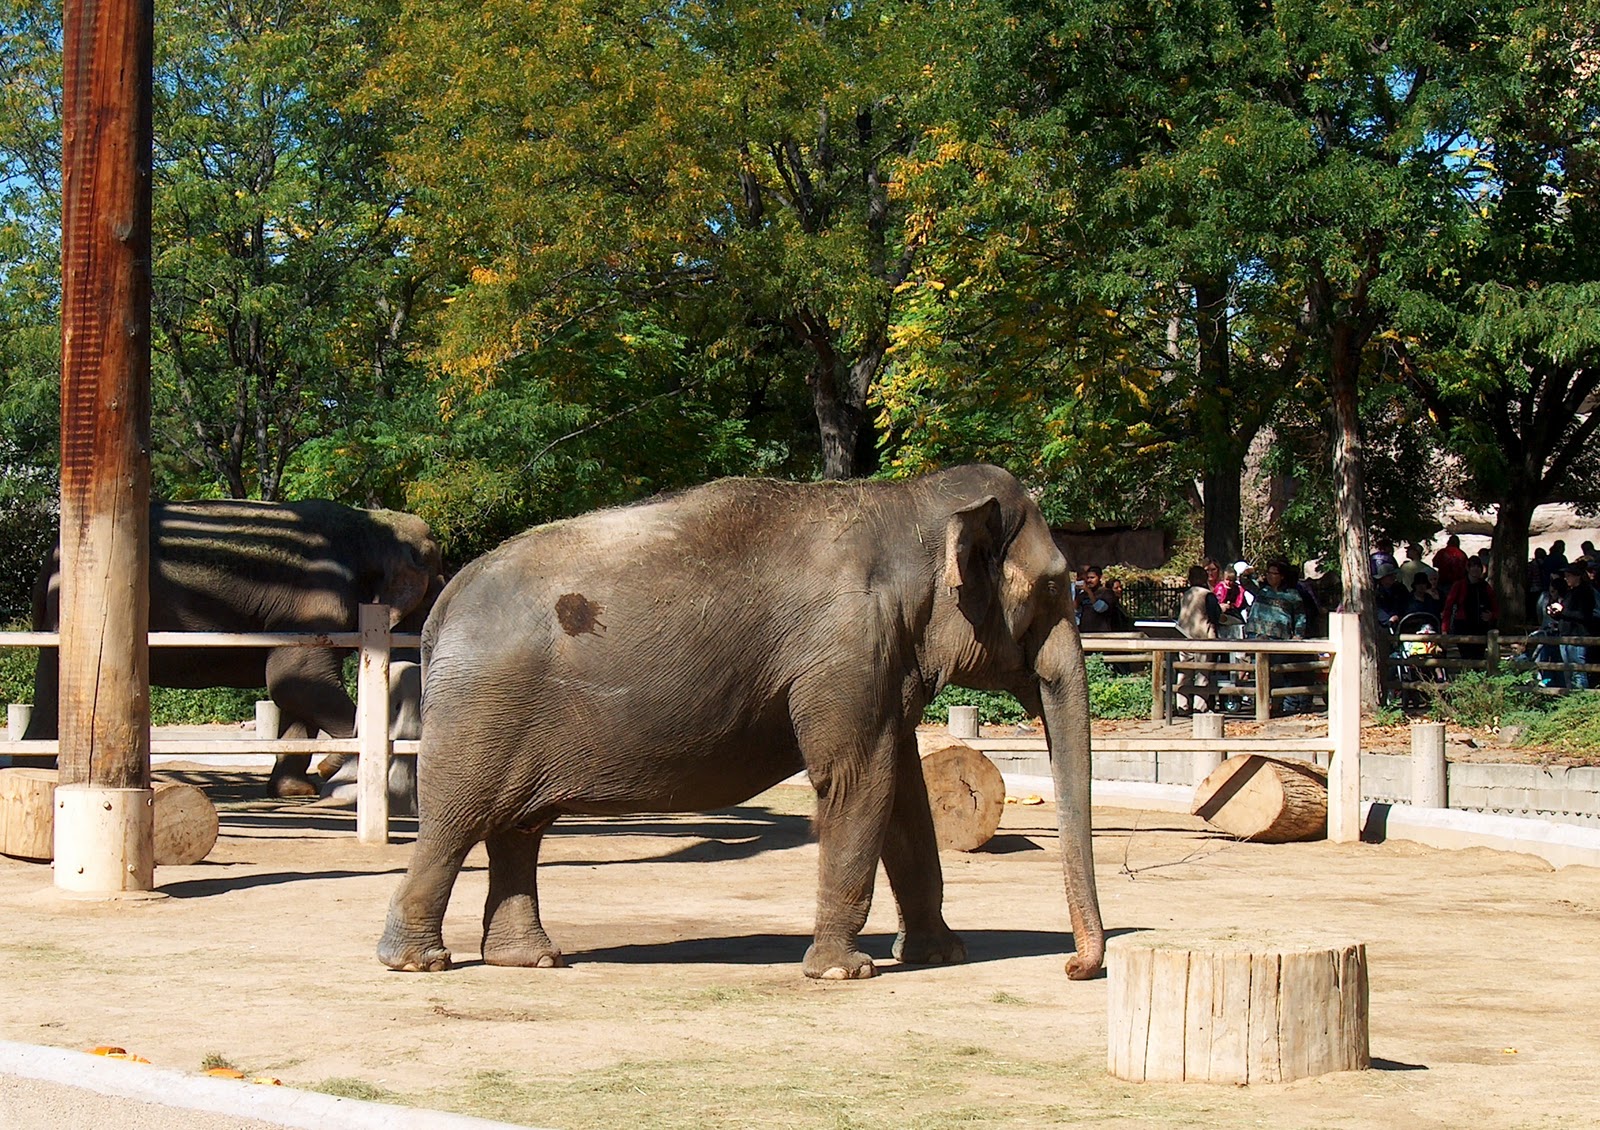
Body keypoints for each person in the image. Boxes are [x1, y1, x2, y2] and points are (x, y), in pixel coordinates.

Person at [1240, 560, 1308, 714]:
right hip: (1258, 636)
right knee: (1258, 671)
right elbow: (1245, 582)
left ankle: (1277, 705)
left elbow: (1300, 616)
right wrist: (1247, 573)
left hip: (1279, 638)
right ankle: (1260, 704)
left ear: (1282, 576)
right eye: (1269, 573)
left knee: (1276, 673)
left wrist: (1298, 635)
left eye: (1274, 573)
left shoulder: (1291, 594)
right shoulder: (1261, 590)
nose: (1271, 576)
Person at [1176, 565, 1222, 714]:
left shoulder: (1185, 595)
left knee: (1184, 673)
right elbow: (1215, 615)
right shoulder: (1207, 595)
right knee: (1203, 673)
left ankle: (1182, 704)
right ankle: (1199, 705)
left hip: (1184, 636)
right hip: (1203, 637)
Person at [1550, 562, 1600, 690]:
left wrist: (1562, 611)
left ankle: (1580, 698)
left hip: (1578, 635)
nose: (1566, 578)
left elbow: (1584, 615)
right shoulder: (1569, 592)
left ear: (1577, 576)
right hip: (1565, 634)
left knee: (1578, 671)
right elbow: (1566, 614)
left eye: (1569, 576)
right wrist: (1555, 614)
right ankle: (1570, 697)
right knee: (1568, 671)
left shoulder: (1586, 592)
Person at [1441, 556, 1499, 663]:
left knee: (1479, 658)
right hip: (1463, 626)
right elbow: (1448, 608)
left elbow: (1495, 607)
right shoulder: (1459, 585)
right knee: (1466, 658)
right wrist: (1445, 629)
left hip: (1481, 627)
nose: (1475, 569)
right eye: (1473, 566)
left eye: (1478, 566)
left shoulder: (1485, 586)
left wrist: (1491, 616)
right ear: (1468, 568)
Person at [1074, 566, 1124, 633]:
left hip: (1101, 633)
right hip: (1085, 632)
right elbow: (1075, 610)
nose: (1089, 580)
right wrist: (1077, 593)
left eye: (1092, 578)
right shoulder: (1083, 594)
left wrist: (1089, 592)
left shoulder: (1106, 593)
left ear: (1099, 577)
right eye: (1087, 578)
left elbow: (1100, 608)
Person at [1374, 562, 1411, 633]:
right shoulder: (1376, 591)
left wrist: (1398, 616)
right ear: (1382, 578)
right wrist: (1388, 619)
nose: (1393, 577)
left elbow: (1406, 603)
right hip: (1383, 625)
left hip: (1402, 621)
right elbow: (1378, 609)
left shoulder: (1400, 588)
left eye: (1394, 575)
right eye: (1389, 576)